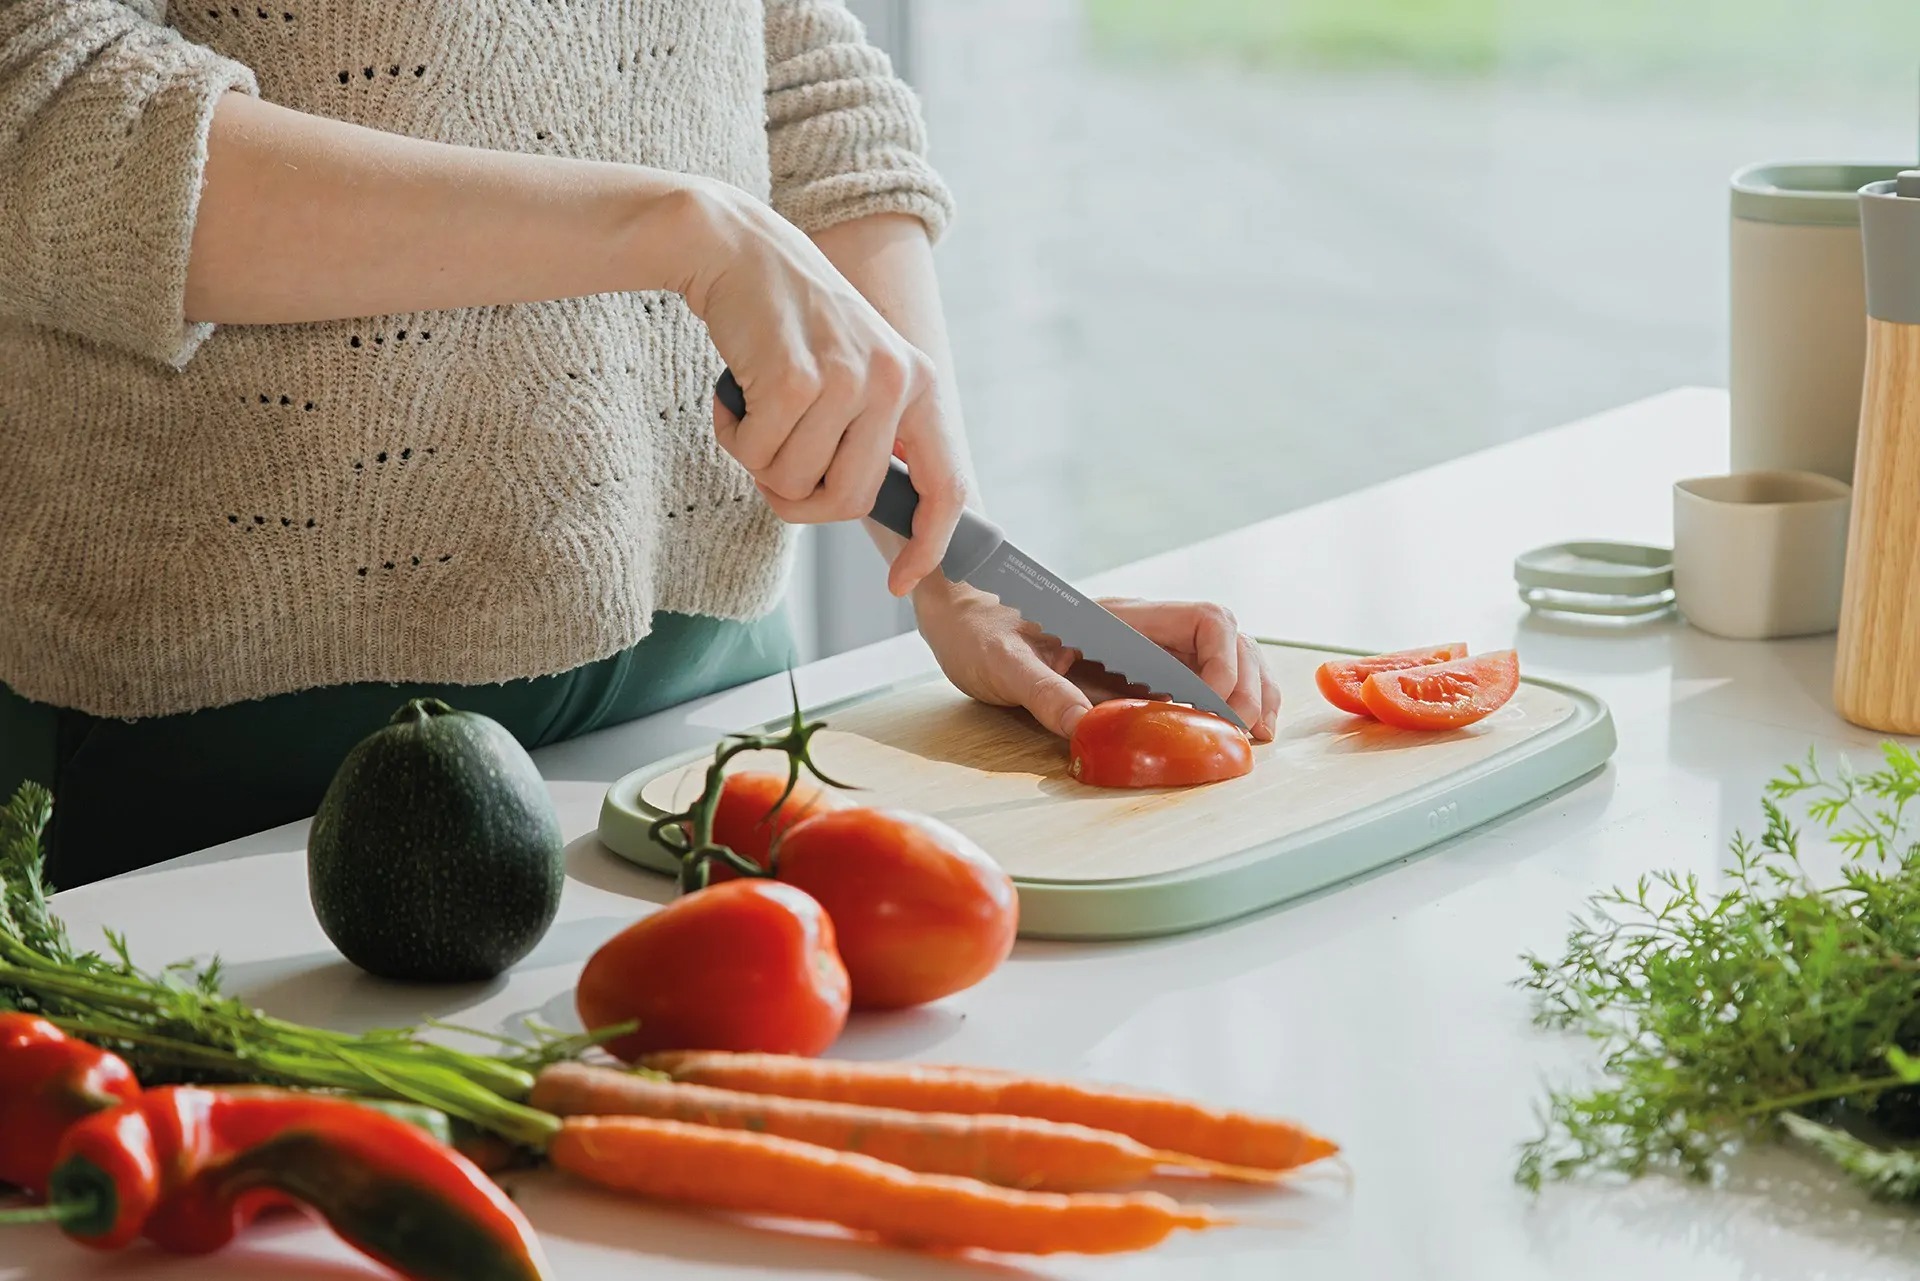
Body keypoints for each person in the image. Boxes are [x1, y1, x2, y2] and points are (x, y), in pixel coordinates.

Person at [0, 1, 1281, 888]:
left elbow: (788, 61)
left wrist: (948, 556)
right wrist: (678, 229)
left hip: (713, 670)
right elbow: (44, 108)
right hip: (248, 718)